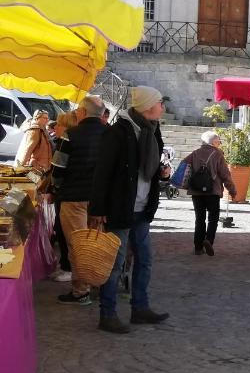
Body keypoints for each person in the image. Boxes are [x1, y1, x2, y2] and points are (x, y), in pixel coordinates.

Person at [89, 86, 171, 334]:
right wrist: (98, 208)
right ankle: (108, 314)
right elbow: (102, 173)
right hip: (120, 208)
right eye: (159, 102)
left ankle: (140, 308)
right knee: (115, 264)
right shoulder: (118, 132)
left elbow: (149, 169)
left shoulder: (153, 131)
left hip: (142, 209)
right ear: (147, 106)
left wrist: (162, 173)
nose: (163, 107)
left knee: (145, 260)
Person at [50, 95, 106, 305]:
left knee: (77, 245)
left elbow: (58, 169)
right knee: (96, 243)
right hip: (100, 200)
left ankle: (81, 291)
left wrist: (56, 187)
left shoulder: (70, 135)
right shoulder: (110, 135)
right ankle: (98, 285)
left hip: (73, 198)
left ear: (82, 112)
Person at [186, 130, 237, 257]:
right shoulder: (217, 154)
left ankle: (198, 248)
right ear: (214, 142)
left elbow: (184, 167)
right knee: (213, 219)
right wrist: (232, 190)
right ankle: (208, 240)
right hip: (213, 192)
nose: (219, 143)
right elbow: (225, 175)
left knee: (199, 219)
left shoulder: (194, 154)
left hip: (196, 192)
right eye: (218, 141)